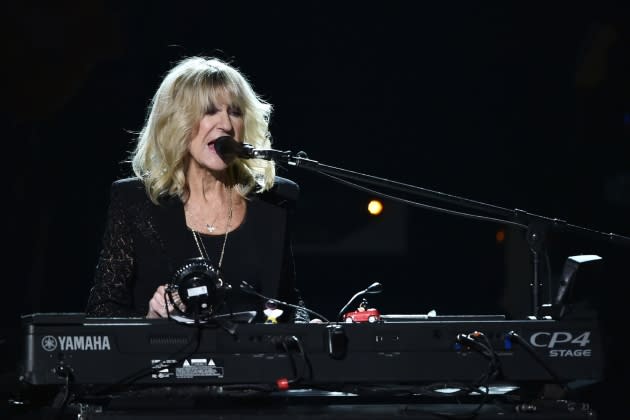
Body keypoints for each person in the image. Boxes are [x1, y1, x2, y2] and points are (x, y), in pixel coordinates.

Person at [85, 56, 308, 323]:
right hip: (163, 362)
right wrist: (149, 318)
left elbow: (288, 303)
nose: (226, 124)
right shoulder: (135, 201)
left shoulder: (273, 200)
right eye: (209, 111)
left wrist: (312, 326)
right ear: (177, 121)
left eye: (235, 112)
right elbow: (101, 312)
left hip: (252, 364)